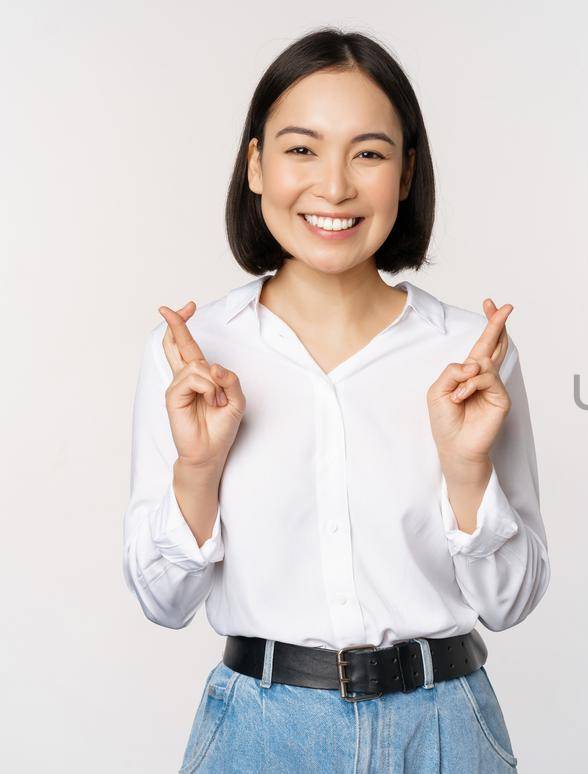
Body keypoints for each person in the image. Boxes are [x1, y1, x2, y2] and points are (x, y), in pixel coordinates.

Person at [120, 28, 550, 773]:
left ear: (406, 174)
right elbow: (164, 603)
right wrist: (198, 469)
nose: (335, 186)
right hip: (259, 735)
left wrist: (466, 471)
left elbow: (509, 604)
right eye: (301, 149)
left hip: (444, 731)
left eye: (370, 153)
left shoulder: (468, 357)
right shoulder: (195, 355)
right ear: (255, 165)